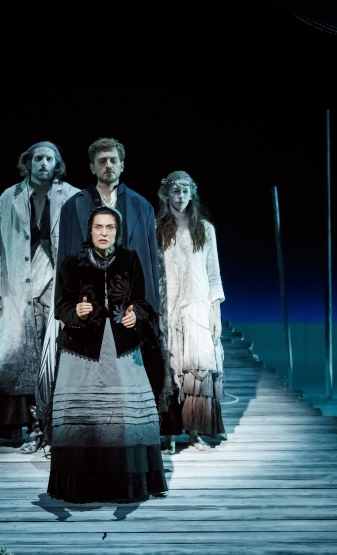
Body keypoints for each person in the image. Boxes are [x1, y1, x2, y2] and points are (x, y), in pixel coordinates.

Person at [48, 206, 168, 503]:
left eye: (110, 227)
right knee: (85, 418)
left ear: (118, 231)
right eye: (98, 227)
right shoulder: (72, 262)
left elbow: (143, 301)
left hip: (122, 349)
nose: (104, 233)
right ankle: (84, 487)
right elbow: (61, 307)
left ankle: (124, 484)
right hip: (82, 351)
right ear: (90, 231)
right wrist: (76, 312)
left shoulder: (130, 259)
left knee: (122, 417)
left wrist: (135, 315)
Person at [0, 142, 80, 442]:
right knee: (14, 352)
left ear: (57, 164)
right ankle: (16, 424)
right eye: (38, 158)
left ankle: (54, 424)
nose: (43, 164)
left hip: (56, 280)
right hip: (16, 283)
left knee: (56, 349)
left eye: (49, 159)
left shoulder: (72, 196)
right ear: (28, 162)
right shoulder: (9, 197)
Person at [156, 171, 225, 452]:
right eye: (175, 190)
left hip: (197, 308)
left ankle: (195, 433)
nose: (180, 196)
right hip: (168, 308)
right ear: (166, 194)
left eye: (185, 191)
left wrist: (215, 311)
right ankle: (169, 436)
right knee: (170, 368)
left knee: (196, 372)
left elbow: (213, 273)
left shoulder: (205, 229)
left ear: (191, 194)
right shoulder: (157, 228)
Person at [58, 138, 161, 311]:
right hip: (87, 306)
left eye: (113, 160)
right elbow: (64, 258)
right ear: (92, 167)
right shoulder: (72, 206)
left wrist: (151, 311)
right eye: (102, 161)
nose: (108, 165)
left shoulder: (142, 207)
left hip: (129, 308)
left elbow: (150, 262)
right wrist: (64, 310)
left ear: (122, 166)